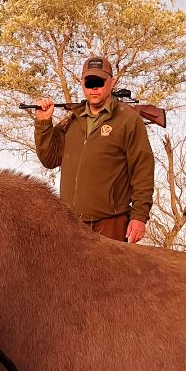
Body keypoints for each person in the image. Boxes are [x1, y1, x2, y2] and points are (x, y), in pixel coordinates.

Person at [33, 55, 155, 243]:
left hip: (111, 224)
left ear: (111, 83)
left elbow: (143, 169)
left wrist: (139, 216)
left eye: (100, 81)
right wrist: (43, 123)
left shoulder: (129, 120)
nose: (94, 88)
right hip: (71, 223)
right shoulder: (72, 120)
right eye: (89, 82)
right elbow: (49, 160)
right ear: (82, 84)